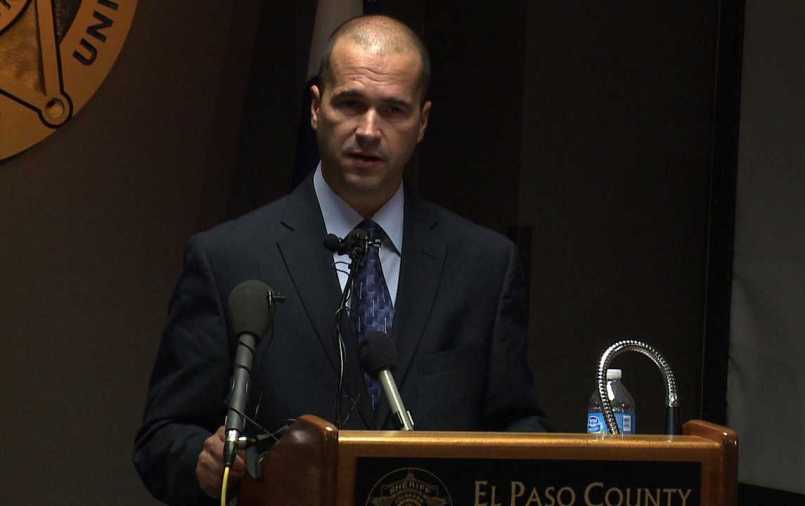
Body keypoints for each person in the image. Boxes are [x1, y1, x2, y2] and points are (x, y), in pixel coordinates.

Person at [133, 15, 545, 505]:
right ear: (315, 108)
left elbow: (519, 426)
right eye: (351, 103)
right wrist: (201, 462)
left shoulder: (485, 266)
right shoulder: (227, 258)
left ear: (423, 123)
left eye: (393, 110)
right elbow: (162, 438)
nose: (369, 130)